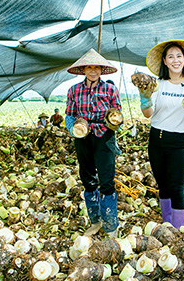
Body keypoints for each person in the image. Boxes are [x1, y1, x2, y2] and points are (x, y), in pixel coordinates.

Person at [137, 40, 184, 229]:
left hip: (180, 142)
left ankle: (177, 229)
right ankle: (166, 224)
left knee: (177, 187)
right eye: (171, 57)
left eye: (179, 56)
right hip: (157, 140)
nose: (175, 60)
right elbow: (148, 114)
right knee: (163, 186)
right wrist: (145, 99)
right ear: (165, 61)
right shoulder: (158, 85)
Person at [65, 48, 122, 237]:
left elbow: (117, 114)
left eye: (96, 67)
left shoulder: (110, 89)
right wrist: (73, 129)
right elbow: (70, 115)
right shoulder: (74, 90)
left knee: (106, 179)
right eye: (89, 67)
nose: (93, 71)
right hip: (83, 136)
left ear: (101, 70)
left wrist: (115, 123)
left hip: (104, 135)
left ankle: (111, 224)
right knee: (88, 178)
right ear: (83, 70)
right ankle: (95, 221)